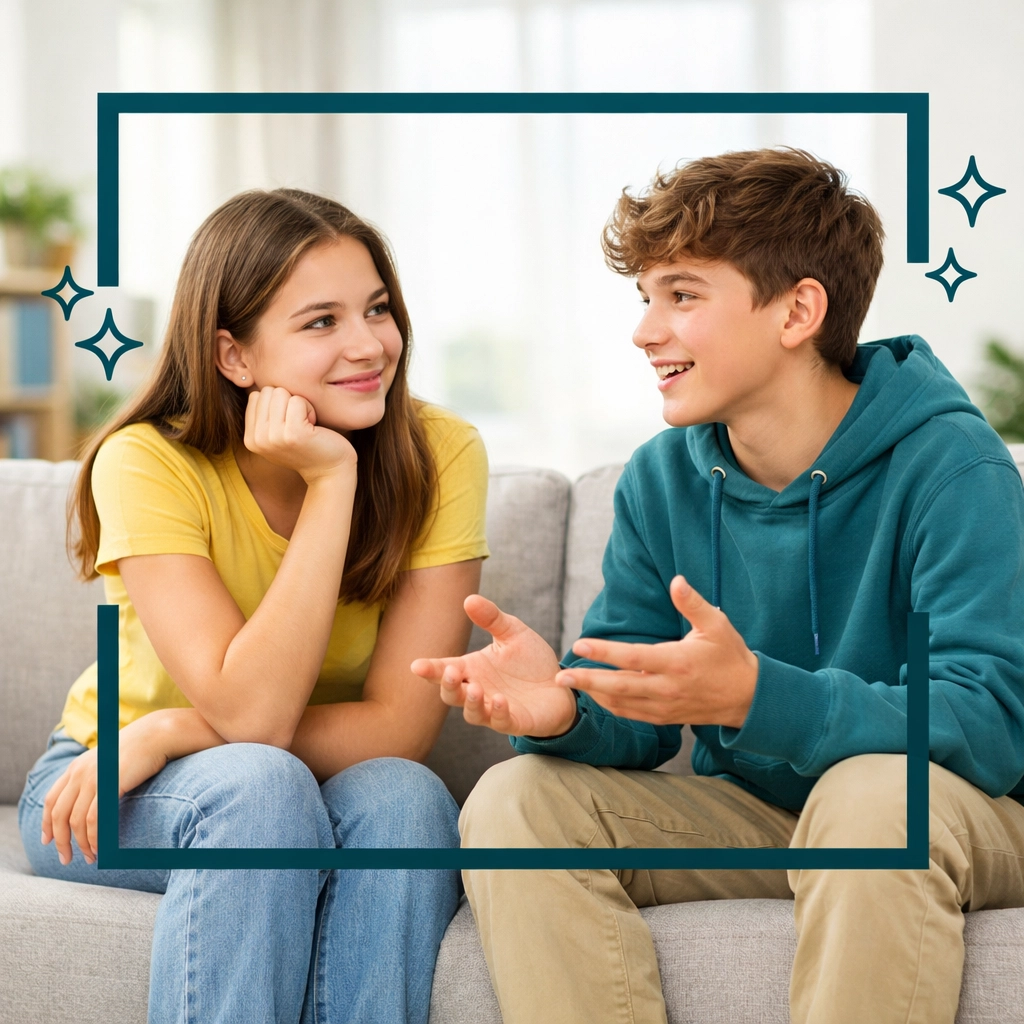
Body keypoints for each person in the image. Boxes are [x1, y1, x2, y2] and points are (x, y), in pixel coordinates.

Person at [412, 148, 1024, 1024]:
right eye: (646, 297)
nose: (645, 330)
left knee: (871, 800)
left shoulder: (951, 465)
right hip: (754, 817)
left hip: (945, 814)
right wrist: (566, 707)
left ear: (798, 311)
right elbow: (634, 711)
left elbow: (992, 722)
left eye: (683, 295)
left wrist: (759, 697)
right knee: (517, 800)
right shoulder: (662, 480)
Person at [17, 188, 490, 1024]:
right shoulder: (146, 462)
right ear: (234, 357)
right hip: (111, 788)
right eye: (321, 322)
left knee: (407, 800)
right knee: (257, 786)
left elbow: (400, 728)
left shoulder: (441, 452)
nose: (368, 345)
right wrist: (330, 482)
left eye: (377, 309)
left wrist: (168, 731)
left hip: (247, 764)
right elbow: (253, 716)